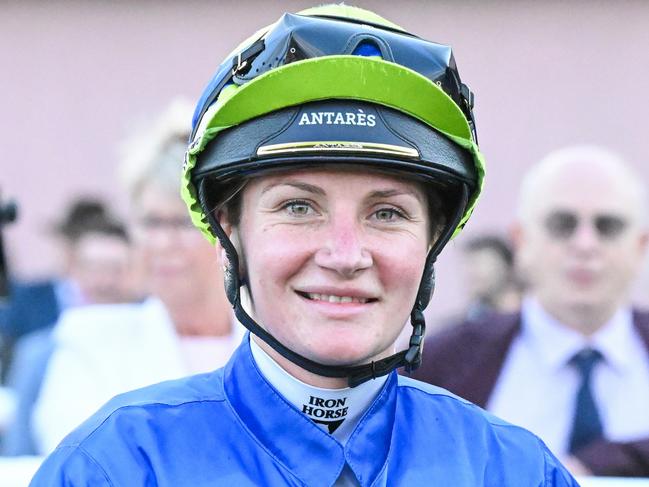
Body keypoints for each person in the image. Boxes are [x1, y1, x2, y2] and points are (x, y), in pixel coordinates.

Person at [30, 6, 577, 485]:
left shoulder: (513, 469)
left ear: (432, 244)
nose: (344, 255)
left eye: (386, 213)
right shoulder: (113, 468)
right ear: (229, 232)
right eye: (298, 207)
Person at [411, 145, 649, 477]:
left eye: (607, 226)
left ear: (640, 245)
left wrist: (599, 464)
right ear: (521, 241)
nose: (585, 245)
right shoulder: (443, 364)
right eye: (561, 224)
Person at [29, 99, 239, 455]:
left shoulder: (272, 343)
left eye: (181, 223)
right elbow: (78, 464)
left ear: (225, 229)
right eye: (150, 223)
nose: (161, 243)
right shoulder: (91, 343)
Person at [2, 212, 133, 456]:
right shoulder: (38, 352)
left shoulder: (153, 340)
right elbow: (19, 445)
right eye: (94, 268)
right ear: (73, 271)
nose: (104, 281)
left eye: (116, 269)